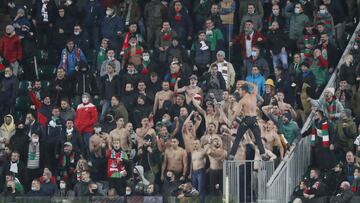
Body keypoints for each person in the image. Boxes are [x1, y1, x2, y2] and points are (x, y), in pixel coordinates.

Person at [229, 81, 268, 160]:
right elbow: (255, 86)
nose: (239, 92)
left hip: (246, 120)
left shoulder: (242, 101)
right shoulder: (253, 96)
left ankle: (231, 155)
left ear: (244, 90)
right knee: (258, 138)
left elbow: (236, 113)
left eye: (239, 90)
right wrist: (245, 82)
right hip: (254, 119)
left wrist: (230, 122)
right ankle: (263, 154)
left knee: (238, 138)